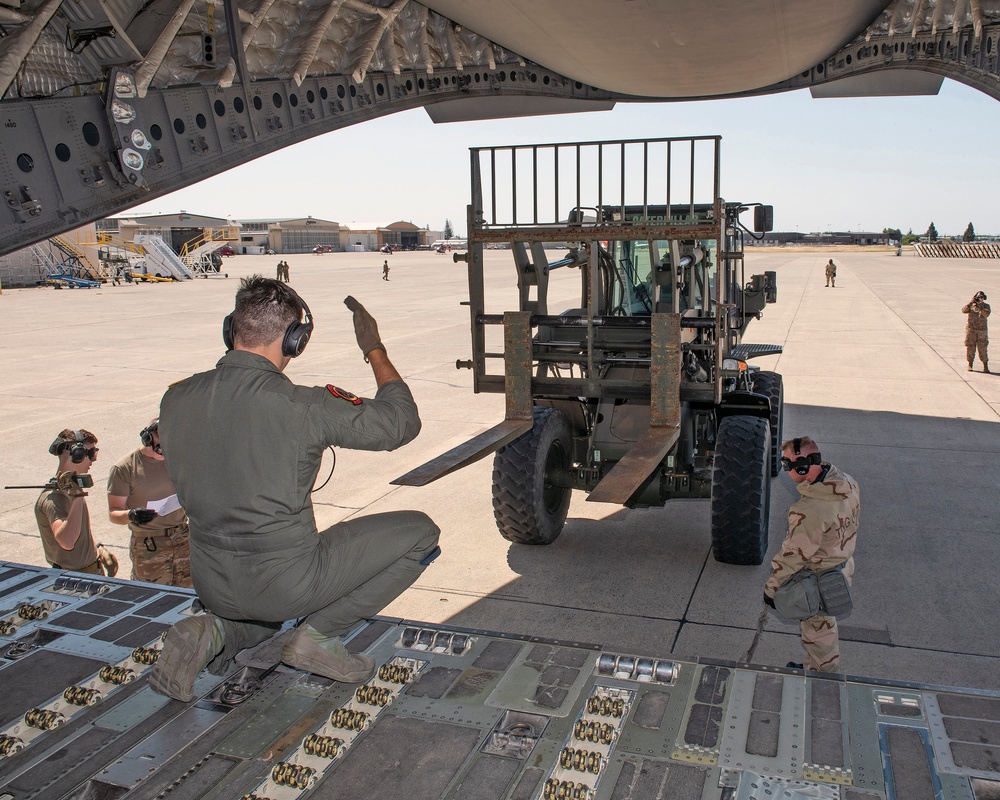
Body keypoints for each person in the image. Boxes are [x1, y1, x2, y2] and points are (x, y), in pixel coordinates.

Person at [151, 276, 440, 702]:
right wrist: (373, 348)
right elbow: (401, 423)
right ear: (295, 340)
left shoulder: (176, 398)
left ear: (232, 329)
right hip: (287, 583)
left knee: (260, 609)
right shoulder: (304, 405)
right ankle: (319, 639)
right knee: (421, 532)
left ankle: (213, 630)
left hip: (211, 582)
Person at [763, 436, 860, 672]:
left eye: (787, 464)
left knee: (818, 631)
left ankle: (819, 676)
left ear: (803, 465)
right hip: (843, 566)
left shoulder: (810, 510)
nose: (784, 470)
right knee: (826, 625)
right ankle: (816, 667)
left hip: (820, 580)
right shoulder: (848, 483)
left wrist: (771, 589)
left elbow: (793, 555)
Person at [107, 418, 192, 587]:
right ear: (148, 438)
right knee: (153, 598)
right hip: (149, 547)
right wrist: (131, 515)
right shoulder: (125, 468)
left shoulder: (179, 461)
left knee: (189, 596)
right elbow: (114, 513)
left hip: (183, 539)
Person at [35, 429, 117, 576]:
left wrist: (96, 550)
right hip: (73, 581)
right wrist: (79, 496)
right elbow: (67, 541)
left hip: (89, 573)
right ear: (77, 454)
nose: (94, 460)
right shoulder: (55, 497)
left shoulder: (71, 489)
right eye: (91, 454)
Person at [962, 291, 990, 373]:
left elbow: (986, 314)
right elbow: (964, 310)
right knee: (970, 347)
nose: (979, 298)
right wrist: (970, 303)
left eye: (981, 297)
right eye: (978, 297)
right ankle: (970, 364)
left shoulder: (986, 306)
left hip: (982, 331)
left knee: (983, 348)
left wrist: (980, 306)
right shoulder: (971, 305)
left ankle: (985, 365)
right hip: (971, 330)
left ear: (984, 298)